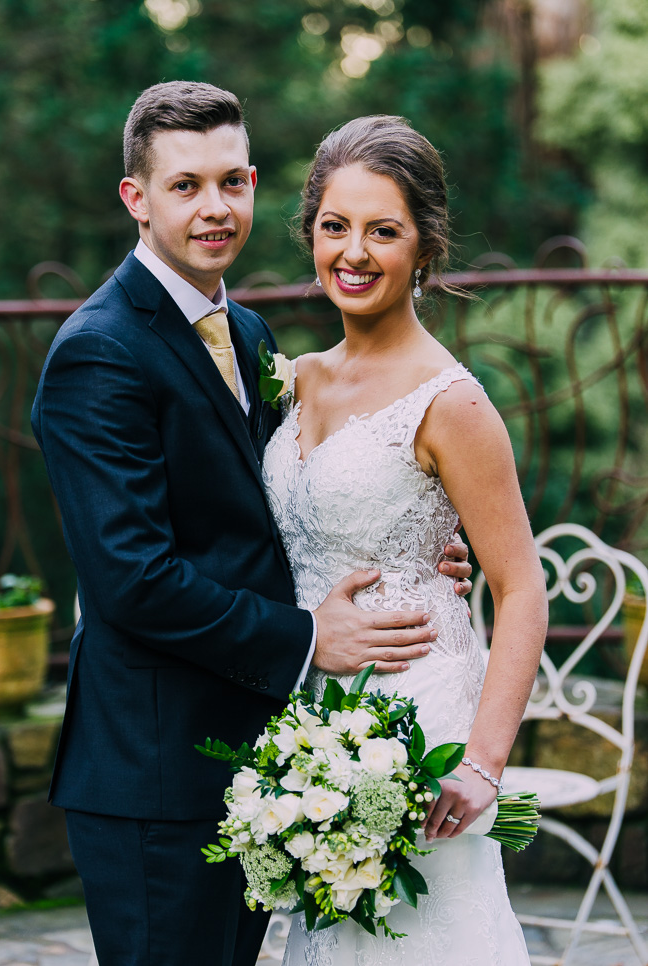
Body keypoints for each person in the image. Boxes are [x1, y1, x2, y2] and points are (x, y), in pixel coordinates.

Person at [31, 83, 474, 966]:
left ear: (254, 184)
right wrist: (312, 637)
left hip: (255, 761)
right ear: (137, 198)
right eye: (184, 186)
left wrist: (406, 545)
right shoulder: (98, 352)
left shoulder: (252, 334)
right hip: (153, 772)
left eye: (231, 182)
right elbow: (132, 581)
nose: (213, 209)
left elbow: (279, 512)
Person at [261, 115, 548, 965]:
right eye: (335, 226)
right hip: (312, 718)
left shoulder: (451, 402)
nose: (354, 252)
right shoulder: (297, 378)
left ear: (424, 247)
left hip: (419, 718)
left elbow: (524, 586)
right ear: (311, 230)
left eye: (383, 230)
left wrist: (482, 766)